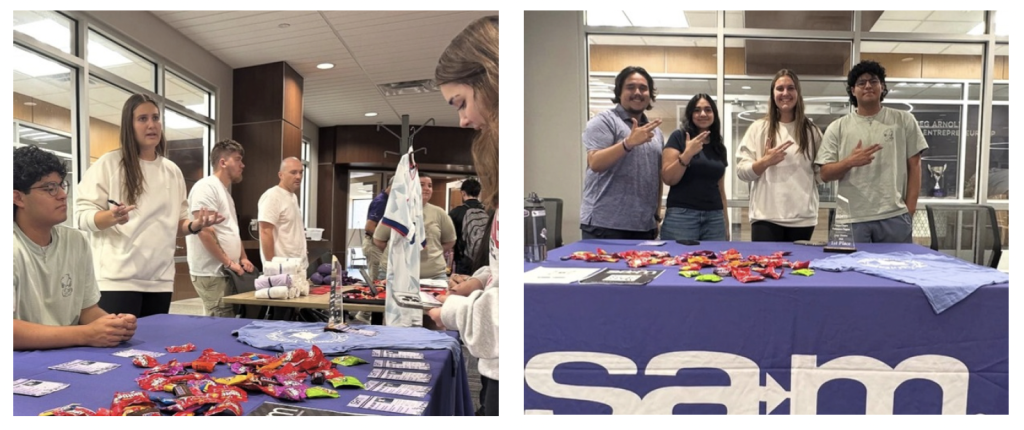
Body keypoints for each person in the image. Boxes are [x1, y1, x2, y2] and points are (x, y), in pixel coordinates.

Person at [76, 93, 223, 317]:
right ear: (129, 125)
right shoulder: (109, 164)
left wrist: (195, 225)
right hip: (117, 282)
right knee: (114, 349)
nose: (151, 125)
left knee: (152, 350)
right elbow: (81, 216)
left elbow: (177, 223)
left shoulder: (172, 171)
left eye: (155, 118)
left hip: (160, 281)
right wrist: (111, 216)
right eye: (142, 119)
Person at [429, 14, 500, 416]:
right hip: (492, 364)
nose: (463, 120)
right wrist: (480, 278)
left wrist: (449, 313)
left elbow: (508, 309)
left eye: (461, 103)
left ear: (489, 80)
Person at [14, 145, 137, 350]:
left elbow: (87, 310)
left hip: (69, 355)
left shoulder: (76, 241)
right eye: (49, 188)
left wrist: (113, 325)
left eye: (62, 185)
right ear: (18, 198)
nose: (62, 194)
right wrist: (85, 334)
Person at [816, 60, 927, 243]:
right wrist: (849, 162)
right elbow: (825, 174)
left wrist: (910, 211)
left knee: (893, 271)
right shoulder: (837, 127)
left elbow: (915, 166)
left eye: (873, 81)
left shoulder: (904, 120)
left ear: (882, 87)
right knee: (849, 271)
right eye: (861, 83)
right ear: (853, 90)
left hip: (894, 216)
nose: (868, 86)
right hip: (850, 219)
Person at [736, 69, 824, 242]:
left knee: (798, 269)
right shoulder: (758, 128)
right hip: (765, 218)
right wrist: (764, 162)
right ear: (773, 94)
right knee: (765, 269)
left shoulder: (811, 131)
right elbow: (741, 172)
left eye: (790, 88)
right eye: (780, 88)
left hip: (802, 219)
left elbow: (820, 175)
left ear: (797, 93)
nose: (785, 93)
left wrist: (841, 165)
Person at [580, 65, 664, 240]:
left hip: (643, 226)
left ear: (650, 94)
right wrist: (628, 143)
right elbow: (595, 162)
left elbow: (655, 176)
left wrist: (655, 216)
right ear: (619, 92)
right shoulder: (604, 121)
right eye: (630, 87)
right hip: (605, 225)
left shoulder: (655, 132)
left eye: (643, 88)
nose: (637, 92)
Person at [186, 139, 255, 317]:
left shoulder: (224, 192)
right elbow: (204, 230)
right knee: (220, 323)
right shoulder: (206, 187)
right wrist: (228, 262)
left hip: (226, 271)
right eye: (238, 159)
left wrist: (243, 257)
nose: (243, 165)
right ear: (223, 162)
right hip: (213, 272)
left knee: (229, 321)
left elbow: (231, 230)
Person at [660, 93, 730, 241]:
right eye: (697, 110)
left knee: (715, 263)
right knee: (678, 262)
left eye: (708, 109)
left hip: (715, 218)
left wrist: (726, 223)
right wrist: (687, 154)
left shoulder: (719, 146)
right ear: (690, 114)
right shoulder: (679, 137)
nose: (703, 114)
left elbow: (721, 189)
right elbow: (668, 178)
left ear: (714, 114)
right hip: (682, 217)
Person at [373, 175, 457, 280]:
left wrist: (435, 251)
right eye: (421, 185)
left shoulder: (439, 213)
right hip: (395, 274)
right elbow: (379, 240)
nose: (427, 188)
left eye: (429, 186)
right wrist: (397, 251)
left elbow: (450, 241)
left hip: (433, 276)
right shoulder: (396, 211)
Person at [258, 157, 309, 277]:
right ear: (280, 175)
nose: (298, 176)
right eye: (293, 172)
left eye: (301, 172)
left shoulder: (293, 197)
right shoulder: (272, 196)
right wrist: (273, 267)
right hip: (282, 269)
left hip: (298, 265)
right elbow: (265, 231)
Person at [448, 178, 486, 276]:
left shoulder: (456, 212)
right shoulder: (488, 211)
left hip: (463, 261)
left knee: (461, 288)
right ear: (478, 193)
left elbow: (449, 238)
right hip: (484, 261)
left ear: (463, 193)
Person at [362, 176, 392, 282]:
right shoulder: (381, 202)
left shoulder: (389, 201)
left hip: (379, 244)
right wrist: (384, 238)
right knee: (377, 280)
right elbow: (369, 227)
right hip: (374, 245)